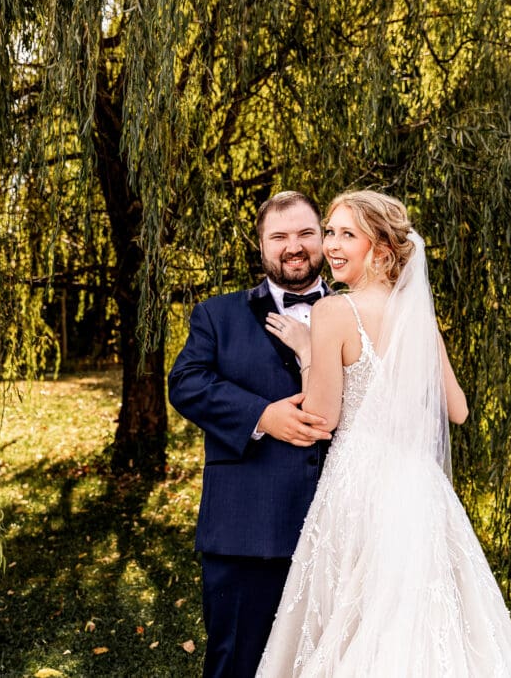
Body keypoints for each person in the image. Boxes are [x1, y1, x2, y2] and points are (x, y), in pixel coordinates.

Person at [256, 191, 511, 677]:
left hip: (359, 486)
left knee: (356, 614)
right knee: (417, 611)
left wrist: (307, 352)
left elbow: (323, 417)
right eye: (331, 231)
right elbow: (459, 410)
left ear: (381, 250)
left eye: (347, 234)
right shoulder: (418, 318)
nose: (332, 245)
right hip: (416, 485)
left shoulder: (333, 313)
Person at [168, 191, 335, 678]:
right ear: (261, 246)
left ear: (322, 239)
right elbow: (186, 383)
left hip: (339, 528)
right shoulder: (217, 315)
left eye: (305, 233)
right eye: (279, 236)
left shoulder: (358, 314)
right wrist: (262, 416)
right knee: (236, 664)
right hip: (244, 530)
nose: (294, 246)